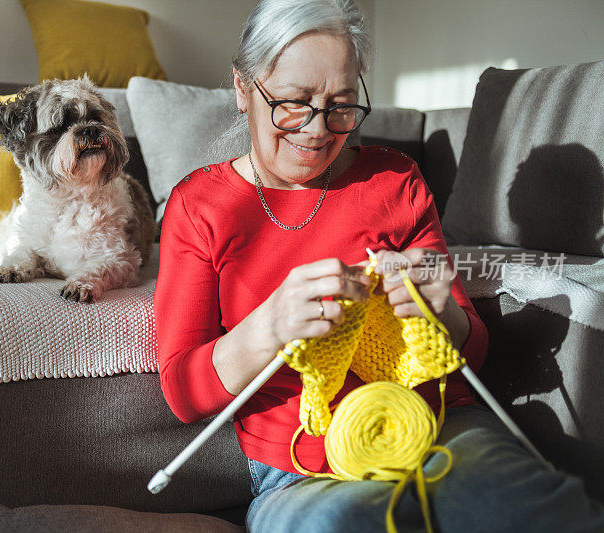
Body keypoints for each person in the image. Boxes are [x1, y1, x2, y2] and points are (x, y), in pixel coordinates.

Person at [154, 0, 604, 531]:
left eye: (341, 105)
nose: (318, 130)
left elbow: (470, 353)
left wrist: (444, 314)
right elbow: (183, 393)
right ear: (242, 88)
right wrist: (270, 326)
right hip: (301, 467)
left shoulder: (395, 182)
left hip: (441, 425)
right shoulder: (200, 205)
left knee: (533, 509)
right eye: (294, 103)